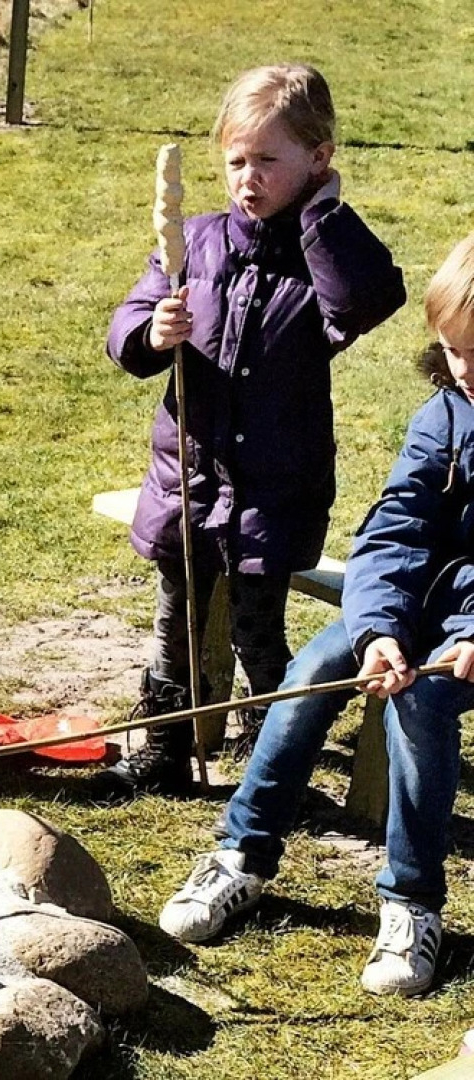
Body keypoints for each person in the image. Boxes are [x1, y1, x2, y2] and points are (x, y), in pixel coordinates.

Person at [158, 232, 474, 997]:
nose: (468, 371)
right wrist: (378, 631)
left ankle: (411, 903)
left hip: (466, 633)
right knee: (309, 672)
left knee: (422, 705)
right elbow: (394, 531)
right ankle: (242, 853)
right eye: (457, 353)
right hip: (407, 610)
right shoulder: (445, 416)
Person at [96, 63, 405, 797]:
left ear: (319, 158)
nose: (248, 178)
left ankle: (278, 761)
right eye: (237, 161)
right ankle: (166, 746)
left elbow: (366, 300)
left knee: (258, 633)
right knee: (176, 625)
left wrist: (323, 217)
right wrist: (151, 331)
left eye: (269, 161)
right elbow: (126, 323)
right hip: (187, 482)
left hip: (275, 486)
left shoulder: (323, 258)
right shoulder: (194, 245)